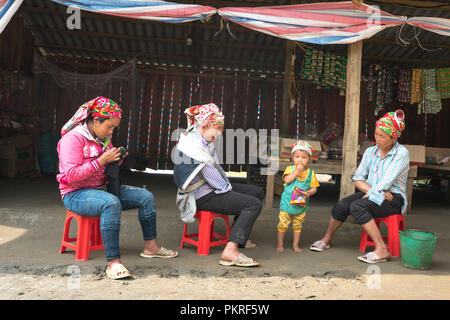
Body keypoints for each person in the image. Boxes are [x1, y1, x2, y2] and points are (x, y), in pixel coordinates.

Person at [57, 96, 178, 280]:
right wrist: (101, 161)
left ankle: (151, 247)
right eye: (109, 126)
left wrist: (118, 157)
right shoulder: (73, 139)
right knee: (111, 203)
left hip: (100, 189)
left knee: (145, 196)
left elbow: (107, 165)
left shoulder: (103, 138)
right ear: (96, 120)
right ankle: (113, 262)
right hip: (75, 194)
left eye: (114, 127)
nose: (111, 131)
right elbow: (71, 177)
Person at [310, 110, 409, 264]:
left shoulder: (401, 153)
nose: (377, 138)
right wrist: (372, 192)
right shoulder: (370, 151)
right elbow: (357, 178)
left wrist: (376, 191)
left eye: (382, 136)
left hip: (394, 197)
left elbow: (387, 182)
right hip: (373, 191)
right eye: (376, 134)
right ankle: (326, 239)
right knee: (341, 205)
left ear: (394, 137)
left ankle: (382, 250)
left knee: (357, 207)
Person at [173, 103, 263, 267]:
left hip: (210, 187)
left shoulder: (201, 138)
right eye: (218, 128)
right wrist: (229, 189)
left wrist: (228, 187)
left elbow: (217, 170)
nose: (220, 132)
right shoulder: (195, 147)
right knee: (253, 204)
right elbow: (217, 181)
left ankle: (236, 235)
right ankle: (230, 250)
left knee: (256, 192)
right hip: (200, 196)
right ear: (205, 125)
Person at [276, 141, 319, 253]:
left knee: (297, 225)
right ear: (292, 158)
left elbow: (314, 188)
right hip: (287, 204)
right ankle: (280, 244)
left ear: (309, 158)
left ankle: (296, 245)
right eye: (297, 157)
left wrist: (310, 192)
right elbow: (287, 180)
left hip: (300, 205)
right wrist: (297, 171)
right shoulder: (290, 169)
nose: (300, 160)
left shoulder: (311, 173)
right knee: (283, 224)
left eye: (304, 157)